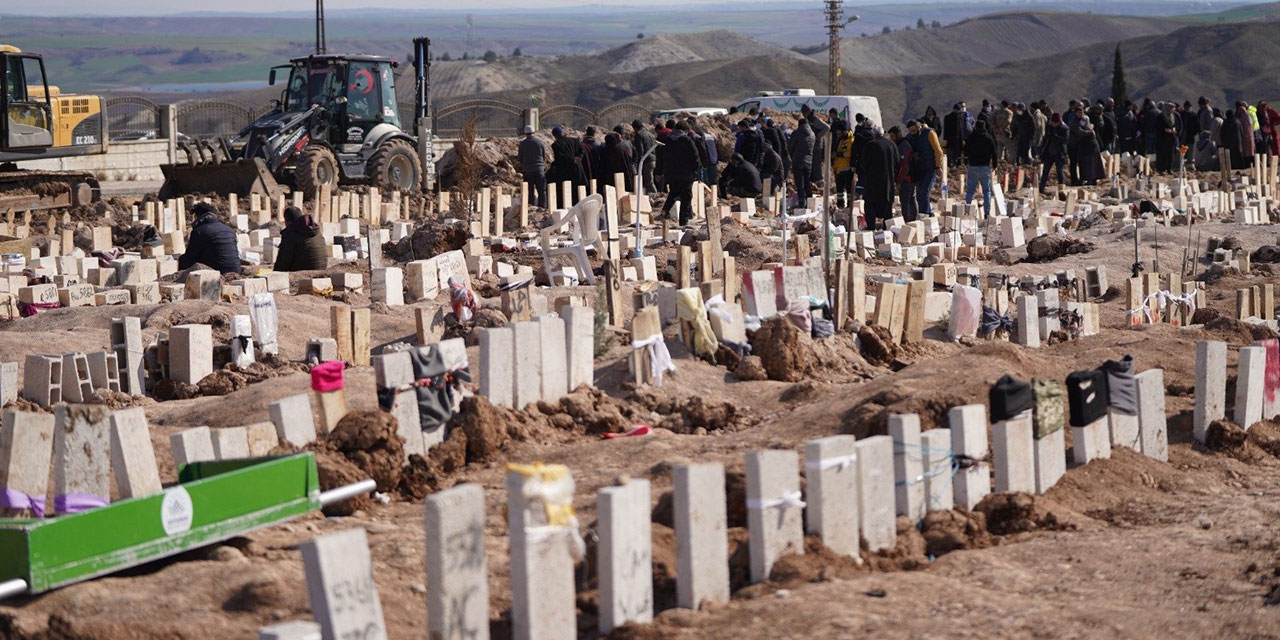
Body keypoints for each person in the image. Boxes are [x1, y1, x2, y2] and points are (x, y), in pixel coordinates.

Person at [656, 121, 701, 225]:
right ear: (685, 130)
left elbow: (661, 158)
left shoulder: (667, 140)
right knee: (686, 197)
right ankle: (683, 220)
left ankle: (665, 210)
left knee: (673, 193)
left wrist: (659, 171)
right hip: (686, 174)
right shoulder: (687, 140)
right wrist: (695, 170)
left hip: (671, 173)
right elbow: (695, 156)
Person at [179, 202, 240, 274]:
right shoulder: (230, 230)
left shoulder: (199, 231)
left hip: (215, 273)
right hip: (236, 270)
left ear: (197, 216)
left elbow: (189, 260)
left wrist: (179, 260)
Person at [857, 128, 900, 230]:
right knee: (887, 206)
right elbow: (897, 162)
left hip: (873, 180)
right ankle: (888, 229)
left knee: (870, 204)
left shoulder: (871, 144)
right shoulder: (892, 145)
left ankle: (871, 227)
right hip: (888, 181)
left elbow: (863, 163)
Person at [274, 205, 327, 272]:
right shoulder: (316, 230)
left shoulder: (291, 233)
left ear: (287, 222)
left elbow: (282, 263)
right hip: (322, 270)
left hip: (303, 274)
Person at [908, 118, 943, 216]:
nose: (912, 133)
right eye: (910, 131)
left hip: (930, 167)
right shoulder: (912, 136)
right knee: (920, 192)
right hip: (920, 168)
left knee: (924, 191)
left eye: (913, 130)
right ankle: (925, 212)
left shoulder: (929, 133)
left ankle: (926, 213)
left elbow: (938, 151)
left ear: (919, 127)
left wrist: (938, 166)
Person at [964, 119, 997, 218]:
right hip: (984, 167)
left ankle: (967, 211)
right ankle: (987, 213)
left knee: (970, 191)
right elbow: (994, 153)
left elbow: (965, 151)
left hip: (973, 166)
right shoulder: (988, 138)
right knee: (986, 191)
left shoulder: (970, 138)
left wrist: (967, 161)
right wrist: (994, 165)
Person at [547, 126, 586, 203]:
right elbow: (582, 151)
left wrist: (571, 160)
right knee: (578, 192)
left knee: (568, 193)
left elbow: (560, 158)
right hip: (577, 169)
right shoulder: (574, 140)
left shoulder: (556, 145)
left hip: (566, 171)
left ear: (554, 135)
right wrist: (578, 158)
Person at [888, 126, 916, 222]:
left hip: (907, 178)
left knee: (906, 200)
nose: (891, 139)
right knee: (911, 199)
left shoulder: (903, 146)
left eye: (892, 136)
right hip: (908, 177)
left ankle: (908, 221)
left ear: (898, 135)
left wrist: (899, 180)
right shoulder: (900, 145)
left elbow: (905, 166)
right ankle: (913, 221)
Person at [517, 125, 547, 209]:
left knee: (530, 190)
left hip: (527, 170)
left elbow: (520, 158)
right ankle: (543, 207)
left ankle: (531, 207)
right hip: (539, 169)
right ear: (534, 132)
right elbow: (544, 156)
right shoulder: (540, 142)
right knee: (541, 190)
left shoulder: (522, 144)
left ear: (525, 133)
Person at [787, 117, 815, 205]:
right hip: (809, 162)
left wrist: (791, 156)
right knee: (807, 183)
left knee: (799, 184)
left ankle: (801, 203)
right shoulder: (812, 134)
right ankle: (810, 203)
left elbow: (790, 147)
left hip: (798, 161)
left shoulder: (796, 133)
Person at [1039, 112, 1069, 193]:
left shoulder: (1064, 128)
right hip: (1048, 152)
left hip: (1059, 153)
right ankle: (1041, 188)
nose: (1054, 124)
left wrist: (1056, 137)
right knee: (1045, 171)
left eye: (1056, 123)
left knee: (1059, 171)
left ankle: (1061, 189)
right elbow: (1045, 139)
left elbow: (1065, 140)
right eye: (1053, 122)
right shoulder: (1049, 127)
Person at [631, 120, 658, 193]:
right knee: (649, 181)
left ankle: (656, 197)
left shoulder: (639, 135)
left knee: (649, 182)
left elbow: (640, 150)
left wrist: (639, 163)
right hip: (653, 159)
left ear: (635, 128)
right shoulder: (650, 134)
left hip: (646, 160)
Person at [832, 127, 855, 207]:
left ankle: (849, 205)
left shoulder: (850, 141)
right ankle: (840, 204)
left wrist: (837, 154)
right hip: (839, 168)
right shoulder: (841, 140)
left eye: (840, 133)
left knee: (849, 189)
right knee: (839, 191)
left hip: (846, 168)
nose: (839, 135)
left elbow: (848, 154)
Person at [1154, 102, 1180, 173]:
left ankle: (1169, 168)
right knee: (1163, 153)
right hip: (1163, 138)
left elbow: (1177, 125)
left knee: (1171, 154)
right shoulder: (1161, 116)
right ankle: (1162, 168)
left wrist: (1175, 129)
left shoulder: (1173, 116)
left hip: (1171, 137)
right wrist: (1164, 129)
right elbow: (1157, 126)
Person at [992, 100, 1014, 165]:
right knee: (1010, 149)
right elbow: (1008, 121)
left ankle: (999, 164)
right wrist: (1002, 129)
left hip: (998, 134)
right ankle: (1011, 163)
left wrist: (996, 129)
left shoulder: (997, 112)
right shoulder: (1009, 112)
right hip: (1005, 133)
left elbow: (991, 120)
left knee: (1000, 150)